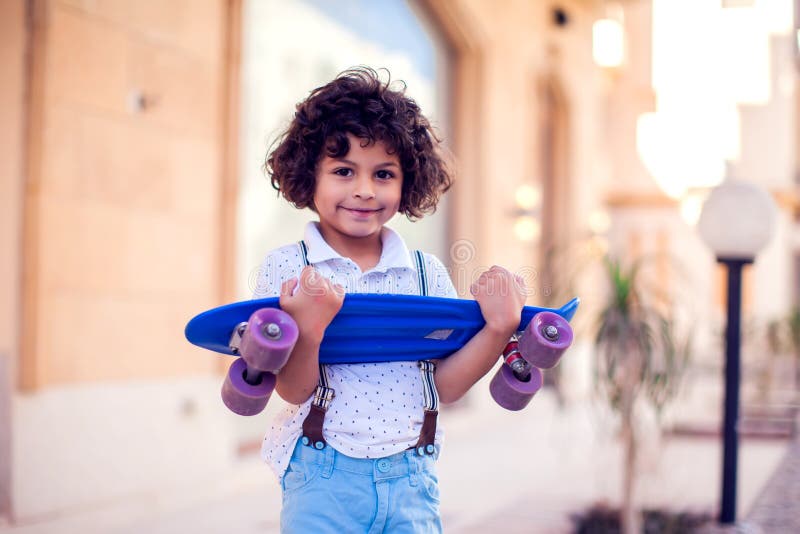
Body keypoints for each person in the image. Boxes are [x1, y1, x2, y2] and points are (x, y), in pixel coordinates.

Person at [253, 67, 526, 533]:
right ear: (308, 177)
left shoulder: (425, 274)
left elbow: (444, 386)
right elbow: (293, 390)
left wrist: (498, 328)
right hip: (322, 480)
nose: (364, 190)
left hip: (412, 480)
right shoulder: (289, 269)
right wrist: (310, 328)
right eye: (343, 171)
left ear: (407, 182)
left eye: (383, 173)